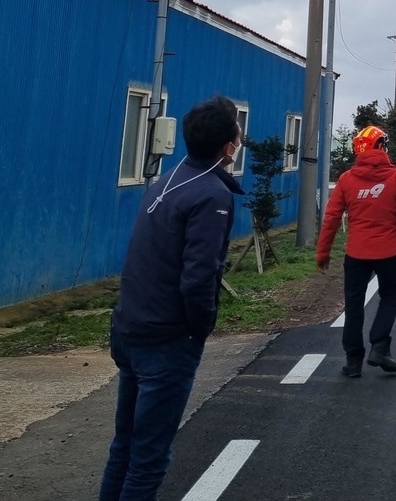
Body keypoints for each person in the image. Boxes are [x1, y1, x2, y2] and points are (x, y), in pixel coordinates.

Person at [99, 94, 245, 501]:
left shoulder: (168, 181)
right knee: (149, 458)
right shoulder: (212, 195)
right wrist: (199, 328)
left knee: (125, 447)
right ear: (229, 145)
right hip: (166, 340)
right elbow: (199, 276)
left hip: (130, 327)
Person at [316, 125, 396, 376]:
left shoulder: (347, 179)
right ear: (380, 146)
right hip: (387, 253)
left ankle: (353, 362)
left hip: (356, 253)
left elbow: (331, 218)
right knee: (389, 297)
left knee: (354, 305)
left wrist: (323, 253)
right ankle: (380, 345)